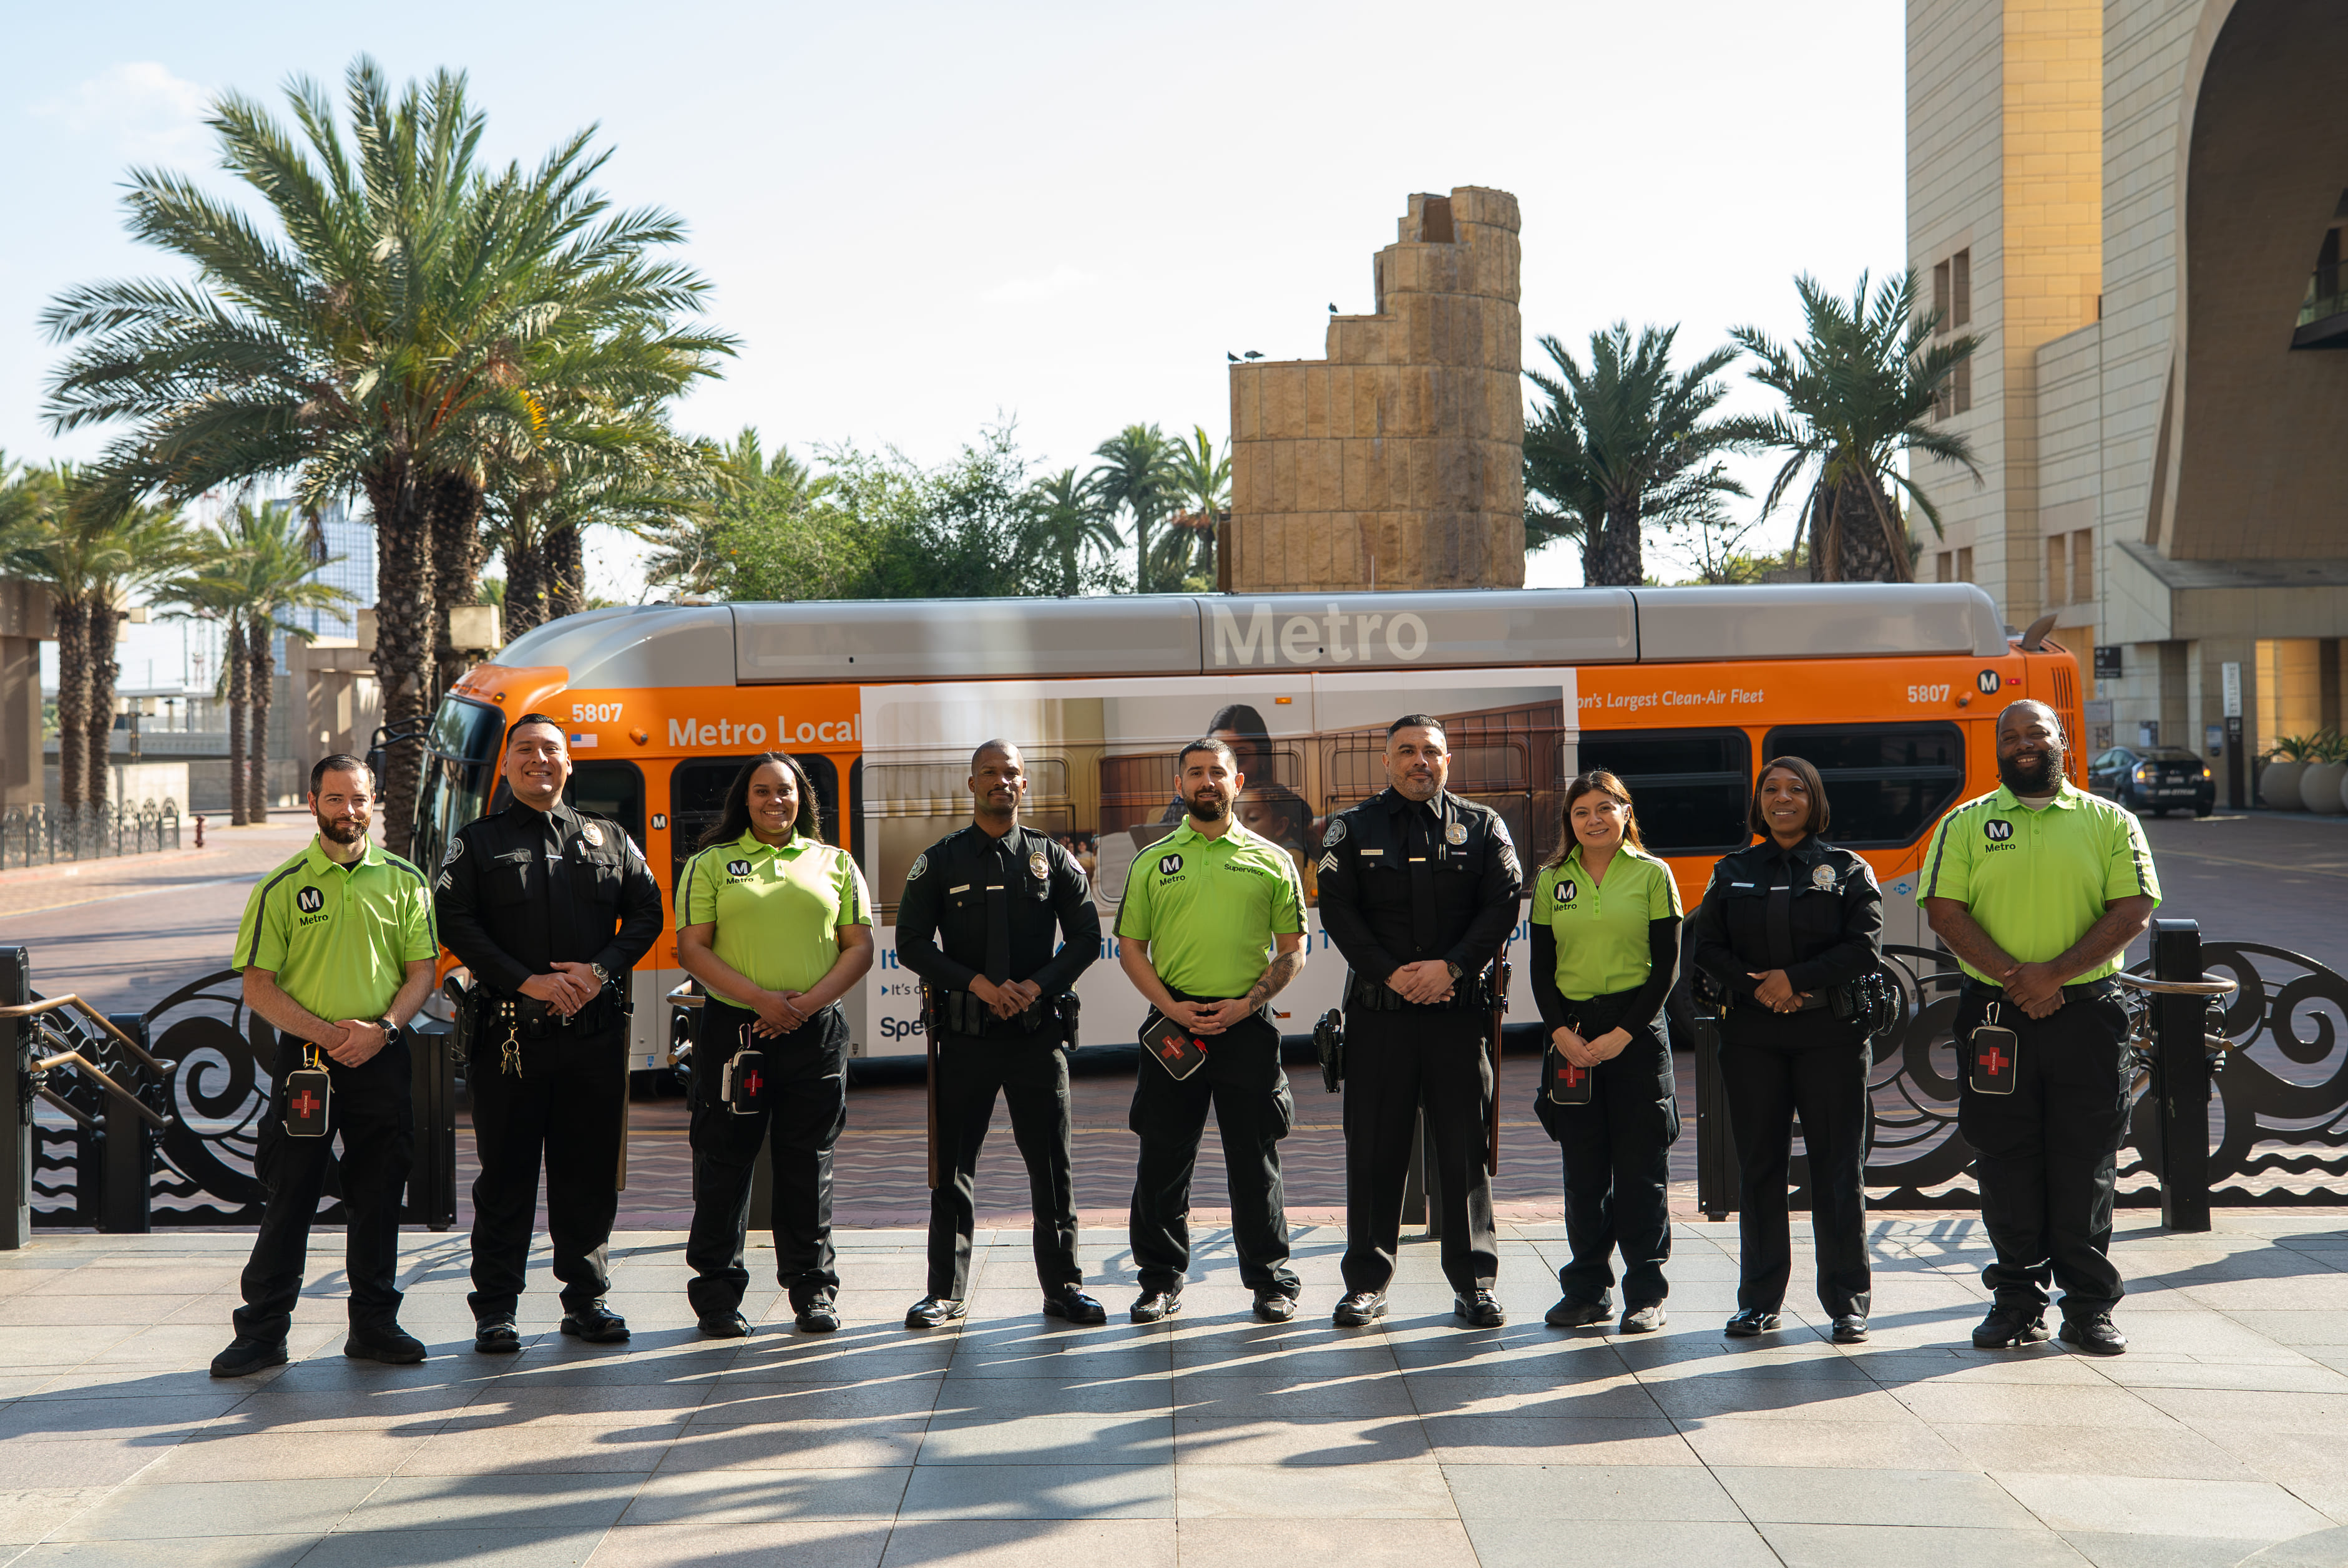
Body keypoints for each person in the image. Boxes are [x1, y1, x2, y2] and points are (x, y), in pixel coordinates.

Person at [1922, 699, 2159, 1356]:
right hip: (1997, 1015)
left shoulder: (2111, 821)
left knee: (2086, 1159)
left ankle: (2088, 1308)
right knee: (2004, 1157)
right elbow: (1944, 910)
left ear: (2063, 743)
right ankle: (2017, 1302)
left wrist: (2054, 974)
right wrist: (2018, 978)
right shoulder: (1965, 823)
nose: (2024, 743)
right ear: (1997, 749)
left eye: (2037, 732)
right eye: (2011, 736)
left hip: (2088, 1016)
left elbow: (2133, 909)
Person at [436, 713, 663, 1353]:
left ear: (571, 763)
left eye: (552, 750)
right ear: (508, 766)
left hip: (591, 1039)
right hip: (509, 1039)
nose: (540, 759)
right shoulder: (477, 842)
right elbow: (453, 918)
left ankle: (587, 1301)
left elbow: (649, 910)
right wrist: (523, 980)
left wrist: (601, 970)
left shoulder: (609, 837)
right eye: (527, 750)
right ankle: (496, 1310)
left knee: (586, 1173)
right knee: (505, 1177)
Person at [211, 757, 437, 1376]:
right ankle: (262, 1330)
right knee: (292, 1190)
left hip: (382, 1054)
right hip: (308, 1063)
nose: (348, 811)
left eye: (359, 798)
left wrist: (384, 1029)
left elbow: (423, 972)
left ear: (375, 801)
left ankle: (374, 1323)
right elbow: (258, 986)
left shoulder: (405, 880)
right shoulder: (281, 887)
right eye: (335, 798)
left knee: (380, 1191)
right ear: (313, 802)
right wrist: (332, 1036)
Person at [1317, 714, 1522, 1327]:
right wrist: (1390, 972)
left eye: (1430, 751)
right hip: (1381, 1016)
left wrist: (1453, 968)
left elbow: (1502, 905)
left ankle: (1475, 1284)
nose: (1418, 761)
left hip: (1457, 1015)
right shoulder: (1352, 828)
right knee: (1376, 1150)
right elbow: (1338, 909)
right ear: (1386, 761)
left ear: (1448, 761)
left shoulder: (1483, 826)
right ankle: (1367, 1283)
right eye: (1406, 751)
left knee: (1463, 1150)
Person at [896, 741, 1104, 1329]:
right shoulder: (941, 861)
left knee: (1052, 1169)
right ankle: (944, 1292)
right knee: (953, 1169)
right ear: (971, 784)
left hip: (1037, 1039)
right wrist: (980, 985)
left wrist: (1036, 987)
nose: (1001, 781)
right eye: (990, 772)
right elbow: (910, 943)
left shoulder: (1051, 858)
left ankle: (1064, 1288)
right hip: (965, 1040)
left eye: (1011, 773)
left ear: (1025, 784)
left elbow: (1086, 937)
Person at [675, 753, 875, 1336]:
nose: (774, 801)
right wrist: (763, 1001)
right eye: (762, 791)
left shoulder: (835, 862)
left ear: (802, 798)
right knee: (724, 1160)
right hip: (736, 1032)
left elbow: (858, 947)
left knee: (808, 1162)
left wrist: (802, 1006)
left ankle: (813, 1291)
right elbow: (693, 950)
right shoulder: (711, 864)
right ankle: (716, 1295)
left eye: (785, 791)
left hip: (814, 1033)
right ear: (745, 798)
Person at [1688, 756, 1884, 1343]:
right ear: (1759, 802)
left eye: (1796, 789)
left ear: (1814, 800)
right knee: (1760, 1169)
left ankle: (1847, 1301)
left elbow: (1864, 946)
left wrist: (1794, 980)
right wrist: (1762, 989)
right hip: (1752, 1038)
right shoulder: (1732, 870)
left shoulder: (1846, 870)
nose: (1782, 798)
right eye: (1771, 789)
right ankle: (1759, 1300)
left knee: (1837, 1169)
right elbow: (1707, 946)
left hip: (1830, 1036)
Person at [1118, 737, 1309, 1323]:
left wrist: (1245, 1004)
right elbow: (1130, 949)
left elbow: (1293, 951)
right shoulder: (1152, 860)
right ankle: (1159, 1281)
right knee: (1162, 1160)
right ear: (1179, 786)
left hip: (1246, 1028)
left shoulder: (1272, 860)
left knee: (1255, 1161)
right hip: (1173, 1029)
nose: (1207, 782)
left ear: (1238, 782)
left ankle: (1271, 1281)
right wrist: (1172, 1008)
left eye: (1217, 772)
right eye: (1195, 773)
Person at [1529, 770, 1684, 1334]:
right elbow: (1541, 969)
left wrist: (1624, 1032)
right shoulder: (1552, 880)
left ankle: (1646, 1291)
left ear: (1625, 810)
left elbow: (1666, 966)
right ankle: (1588, 1289)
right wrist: (1558, 1033)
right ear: (1569, 821)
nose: (1592, 819)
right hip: (1573, 1033)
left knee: (1642, 1169)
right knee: (1584, 1171)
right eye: (1580, 812)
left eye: (1603, 808)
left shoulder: (1652, 874)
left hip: (1637, 1032)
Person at [1156, 703, 1314, 859]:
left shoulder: (1285, 804)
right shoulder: (1186, 801)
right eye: (1216, 761)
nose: (1209, 783)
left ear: (1262, 758)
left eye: (1240, 758)